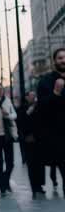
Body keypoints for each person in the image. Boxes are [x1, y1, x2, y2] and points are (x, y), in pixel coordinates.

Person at [36, 48, 65, 194]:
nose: (63, 60)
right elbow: (41, 107)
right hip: (58, 137)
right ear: (54, 61)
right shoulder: (46, 81)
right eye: (60, 58)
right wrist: (55, 93)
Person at [16, 90, 43, 197]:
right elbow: (20, 122)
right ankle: (34, 188)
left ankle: (40, 185)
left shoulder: (38, 107)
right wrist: (28, 113)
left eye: (34, 96)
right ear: (27, 97)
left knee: (39, 164)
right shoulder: (22, 109)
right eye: (31, 96)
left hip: (38, 139)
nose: (33, 98)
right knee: (31, 164)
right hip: (28, 139)